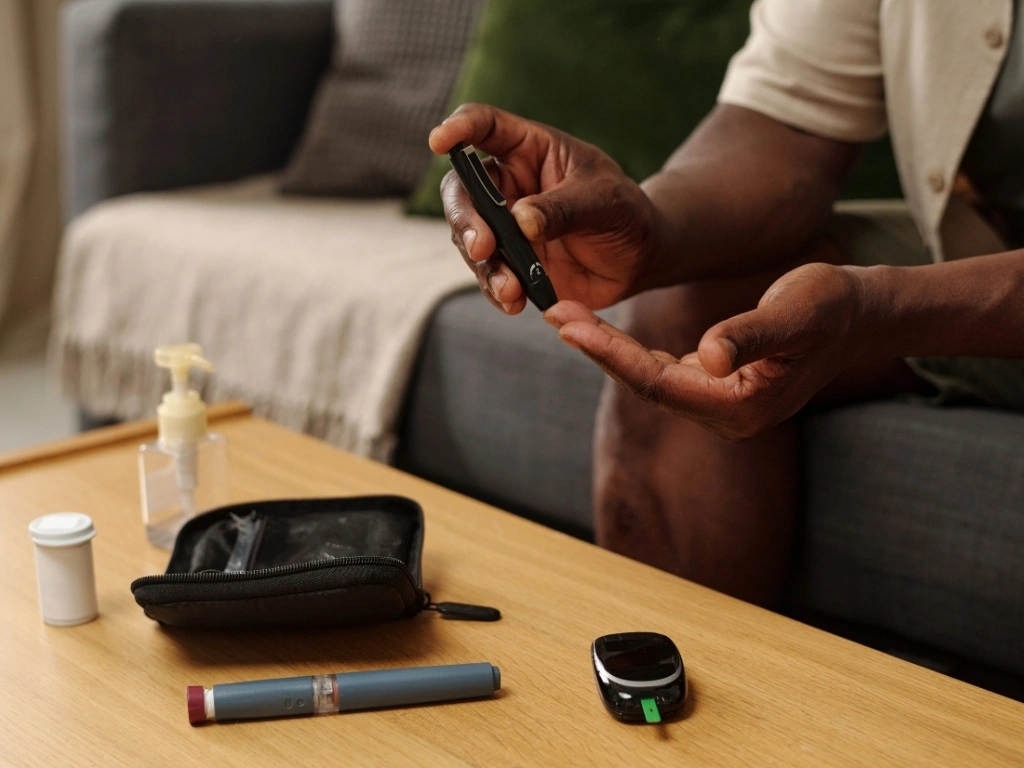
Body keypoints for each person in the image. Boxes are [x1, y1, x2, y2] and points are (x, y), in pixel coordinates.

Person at [428, 0, 1024, 606]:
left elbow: (873, 305)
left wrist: (882, 310)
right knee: (691, 319)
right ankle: (672, 675)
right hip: (989, 231)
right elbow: (792, 120)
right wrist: (651, 225)